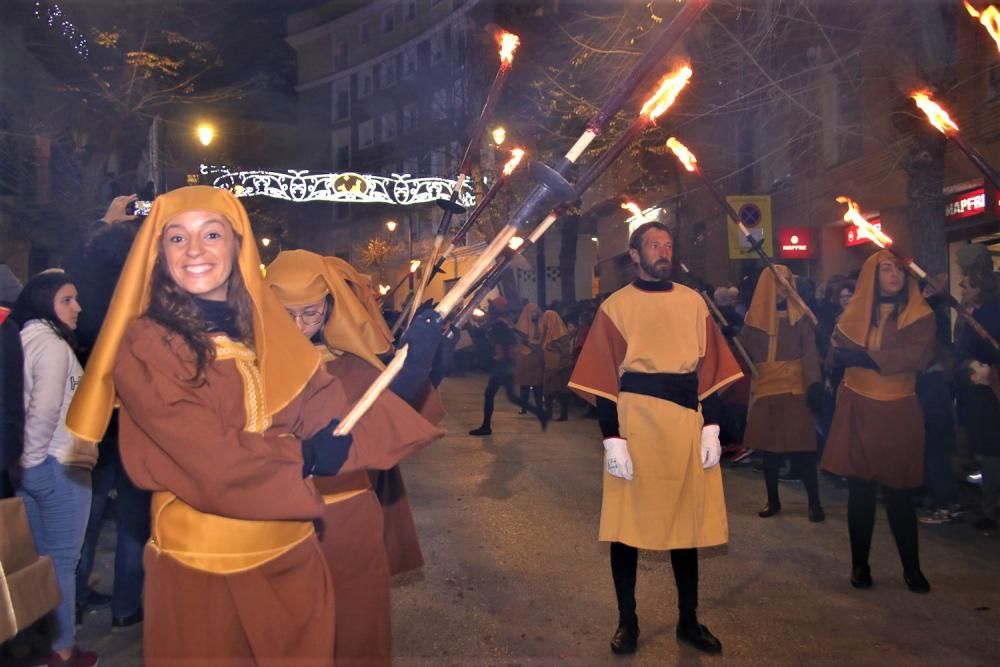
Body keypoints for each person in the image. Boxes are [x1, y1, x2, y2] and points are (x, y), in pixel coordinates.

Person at [64, 186, 442, 666]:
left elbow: (332, 421)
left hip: (292, 562)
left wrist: (405, 378)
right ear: (159, 255)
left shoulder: (269, 336)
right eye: (176, 238)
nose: (195, 250)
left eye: (212, 233)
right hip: (204, 574)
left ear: (237, 246)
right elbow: (206, 457)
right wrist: (301, 457)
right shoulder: (147, 344)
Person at [569, 222, 743, 656]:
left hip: (686, 423)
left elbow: (711, 371)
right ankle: (627, 622)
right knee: (626, 528)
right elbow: (604, 377)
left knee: (685, 527)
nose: (663, 252)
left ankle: (689, 620)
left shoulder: (692, 303)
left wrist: (712, 428)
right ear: (634, 254)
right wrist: (612, 438)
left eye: (668, 244)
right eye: (653, 245)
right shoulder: (616, 306)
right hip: (636, 425)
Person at [265, 249, 445, 666]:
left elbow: (391, 418)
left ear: (329, 306)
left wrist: (421, 368)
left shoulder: (352, 364)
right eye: (284, 314)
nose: (297, 326)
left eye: (309, 312)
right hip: (276, 524)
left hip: (348, 521)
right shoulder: (243, 366)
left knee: (356, 630)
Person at [821, 250, 935, 594]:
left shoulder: (920, 314)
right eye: (886, 269)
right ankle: (860, 565)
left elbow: (917, 355)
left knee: (899, 494)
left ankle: (912, 568)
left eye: (898, 269)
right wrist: (836, 349)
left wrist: (868, 357)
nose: (894, 274)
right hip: (859, 406)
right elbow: (834, 358)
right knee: (861, 492)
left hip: (899, 409)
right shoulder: (852, 315)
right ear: (872, 275)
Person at [64, 193, 151, 629]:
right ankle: (124, 606)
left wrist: (106, 223)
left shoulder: (92, 300)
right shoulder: (144, 289)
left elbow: (80, 278)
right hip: (129, 418)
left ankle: (77, 600)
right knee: (130, 518)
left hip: (101, 416)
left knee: (90, 516)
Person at [11, 270, 98, 667]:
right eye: (67, 299)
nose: (77, 307)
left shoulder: (22, 339)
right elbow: (43, 410)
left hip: (30, 465)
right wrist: (34, 465)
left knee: (40, 562)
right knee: (62, 561)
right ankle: (62, 651)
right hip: (57, 466)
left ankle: (43, 649)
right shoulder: (52, 345)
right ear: (46, 302)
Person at [739, 266, 825, 521]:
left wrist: (814, 384)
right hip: (767, 389)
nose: (783, 287)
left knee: (804, 449)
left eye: (787, 282)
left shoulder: (800, 318)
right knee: (770, 451)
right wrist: (734, 337)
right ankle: (773, 500)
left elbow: (809, 353)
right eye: (778, 283)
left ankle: (814, 503)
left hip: (794, 388)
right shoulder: (754, 320)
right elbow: (747, 354)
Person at [953, 244, 1000, 530]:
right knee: (981, 447)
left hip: (989, 391)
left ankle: (991, 507)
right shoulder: (971, 311)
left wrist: (988, 370)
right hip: (973, 392)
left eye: (966, 282)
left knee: (992, 447)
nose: (962, 285)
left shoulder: (991, 312)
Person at [469, 297, 545, 436]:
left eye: (492, 307)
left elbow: (505, 342)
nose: (489, 309)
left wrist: (501, 358)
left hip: (502, 364)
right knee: (510, 396)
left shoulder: (499, 324)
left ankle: (486, 426)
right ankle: (540, 413)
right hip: (506, 363)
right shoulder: (504, 323)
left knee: (491, 394)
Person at [540, 309, 574, 421]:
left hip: (560, 367)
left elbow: (565, 351)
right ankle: (549, 414)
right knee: (547, 391)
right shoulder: (548, 333)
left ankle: (564, 415)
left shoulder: (562, 334)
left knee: (561, 391)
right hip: (550, 366)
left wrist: (552, 348)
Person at [514, 302, 544, 415]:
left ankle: (539, 407)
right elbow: (520, 339)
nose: (535, 314)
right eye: (533, 312)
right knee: (525, 383)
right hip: (526, 355)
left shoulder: (542, 323)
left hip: (538, 355)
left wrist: (539, 347)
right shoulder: (522, 323)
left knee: (538, 383)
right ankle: (524, 407)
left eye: (536, 311)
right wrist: (531, 346)